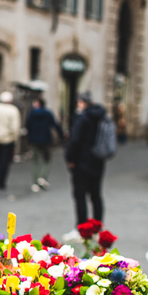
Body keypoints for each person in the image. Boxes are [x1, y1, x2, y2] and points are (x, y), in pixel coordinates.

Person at [65, 91, 107, 230]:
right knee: (96, 194)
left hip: (82, 162)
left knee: (80, 195)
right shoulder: (101, 116)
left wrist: (70, 158)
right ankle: (97, 226)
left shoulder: (82, 118)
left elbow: (75, 141)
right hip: (98, 160)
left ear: (81, 102)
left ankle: (82, 227)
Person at [25, 97, 64, 192]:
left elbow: (27, 126)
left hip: (34, 140)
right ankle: (42, 176)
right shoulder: (48, 113)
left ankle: (35, 182)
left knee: (35, 161)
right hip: (46, 139)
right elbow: (55, 124)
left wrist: (29, 138)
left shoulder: (31, 114)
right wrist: (61, 135)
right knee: (47, 159)